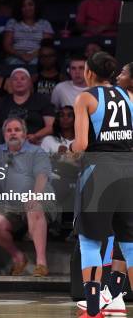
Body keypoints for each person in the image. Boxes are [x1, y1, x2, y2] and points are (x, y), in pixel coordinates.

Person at [71, 52, 133, 318]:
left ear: (89, 72)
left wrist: (69, 148)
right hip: (129, 171)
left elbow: (82, 145)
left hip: (99, 172)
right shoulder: (130, 96)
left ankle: (94, 309)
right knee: (130, 245)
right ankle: (117, 299)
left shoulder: (85, 97)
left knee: (90, 241)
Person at [0, 118, 53, 278]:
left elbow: (42, 176)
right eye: (9, 130)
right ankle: (18, 257)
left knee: (32, 205)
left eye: (17, 130)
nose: (13, 133)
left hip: (38, 201)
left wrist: (35, 196)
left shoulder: (36, 152)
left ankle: (41, 264)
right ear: (4, 135)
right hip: (7, 205)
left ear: (25, 133)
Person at [0, 68, 55, 145]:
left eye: (23, 79)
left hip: (36, 143)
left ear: (30, 82)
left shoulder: (41, 100)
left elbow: (51, 126)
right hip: (7, 143)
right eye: (15, 79)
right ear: (10, 83)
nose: (19, 81)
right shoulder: (1, 102)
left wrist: (36, 136)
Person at [2, 0, 54, 66]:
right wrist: (21, 55)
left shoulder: (45, 24)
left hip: (38, 57)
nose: (27, 8)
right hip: (15, 56)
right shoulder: (12, 22)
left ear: (36, 6)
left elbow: (46, 45)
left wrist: (31, 55)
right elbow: (7, 45)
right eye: (23, 6)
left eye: (30, 5)